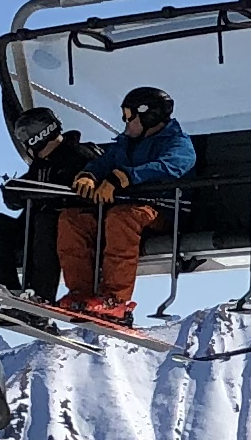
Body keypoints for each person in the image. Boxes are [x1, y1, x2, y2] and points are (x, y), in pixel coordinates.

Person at [47, 87, 196, 326]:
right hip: (123, 209)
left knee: (121, 218)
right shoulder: (126, 143)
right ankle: (81, 294)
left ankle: (115, 300)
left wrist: (125, 177)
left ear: (148, 116)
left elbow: (171, 166)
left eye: (129, 116)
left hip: (162, 211)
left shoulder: (177, 143)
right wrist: (88, 175)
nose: (126, 122)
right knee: (72, 219)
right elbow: (104, 161)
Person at [0, 103, 91, 300]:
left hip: (67, 227)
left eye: (24, 135)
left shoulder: (79, 156)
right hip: (33, 227)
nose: (23, 141)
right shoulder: (39, 166)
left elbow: (88, 189)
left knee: (45, 221)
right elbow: (20, 197)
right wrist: (14, 192)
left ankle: (40, 296)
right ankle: (7, 290)